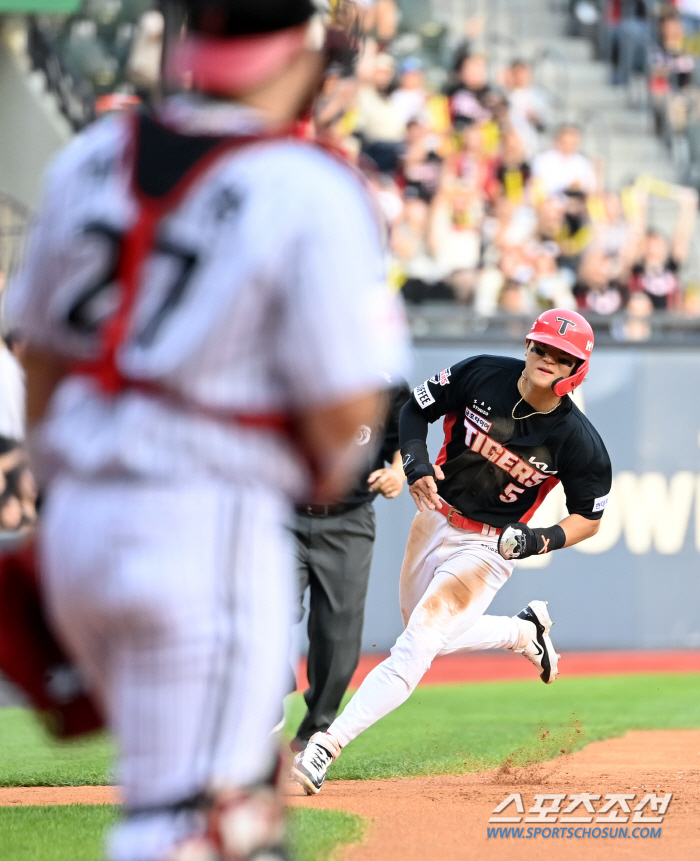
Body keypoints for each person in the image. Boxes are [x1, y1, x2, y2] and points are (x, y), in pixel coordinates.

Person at [6, 1, 409, 859]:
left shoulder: (88, 159)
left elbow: (36, 359)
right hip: (205, 516)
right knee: (206, 820)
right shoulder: (310, 185)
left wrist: (70, 492)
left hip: (78, 520)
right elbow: (345, 415)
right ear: (302, 55)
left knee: (193, 797)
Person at [291, 308, 612, 796]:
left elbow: (589, 518)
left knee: (418, 641)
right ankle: (519, 632)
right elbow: (415, 409)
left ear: (576, 368)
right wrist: (416, 463)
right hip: (434, 515)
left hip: (489, 545)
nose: (546, 358)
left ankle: (324, 745)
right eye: (540, 346)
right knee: (421, 631)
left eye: (561, 355)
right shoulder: (483, 372)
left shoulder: (578, 440)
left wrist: (540, 539)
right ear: (527, 345)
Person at [290, 378, 410, 753]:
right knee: (266, 612)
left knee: (337, 634)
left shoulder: (388, 381)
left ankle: (314, 737)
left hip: (350, 517)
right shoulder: (289, 362)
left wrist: (398, 473)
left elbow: (406, 435)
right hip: (281, 513)